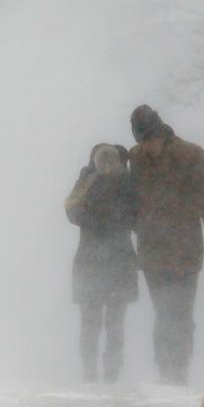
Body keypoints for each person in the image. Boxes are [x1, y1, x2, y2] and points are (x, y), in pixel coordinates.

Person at [128, 105, 204, 385]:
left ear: (160, 132)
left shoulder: (192, 155)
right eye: (142, 142)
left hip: (184, 248)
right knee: (163, 310)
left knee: (182, 313)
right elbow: (130, 200)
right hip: (151, 249)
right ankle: (165, 369)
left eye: (150, 140)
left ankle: (180, 369)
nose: (148, 147)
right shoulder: (135, 158)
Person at [65, 143, 138, 383]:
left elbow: (72, 210)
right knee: (110, 321)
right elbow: (136, 215)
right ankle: (106, 371)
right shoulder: (125, 181)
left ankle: (96, 371)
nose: (106, 165)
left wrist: (94, 217)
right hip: (114, 260)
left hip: (93, 259)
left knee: (93, 320)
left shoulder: (93, 181)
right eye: (102, 160)